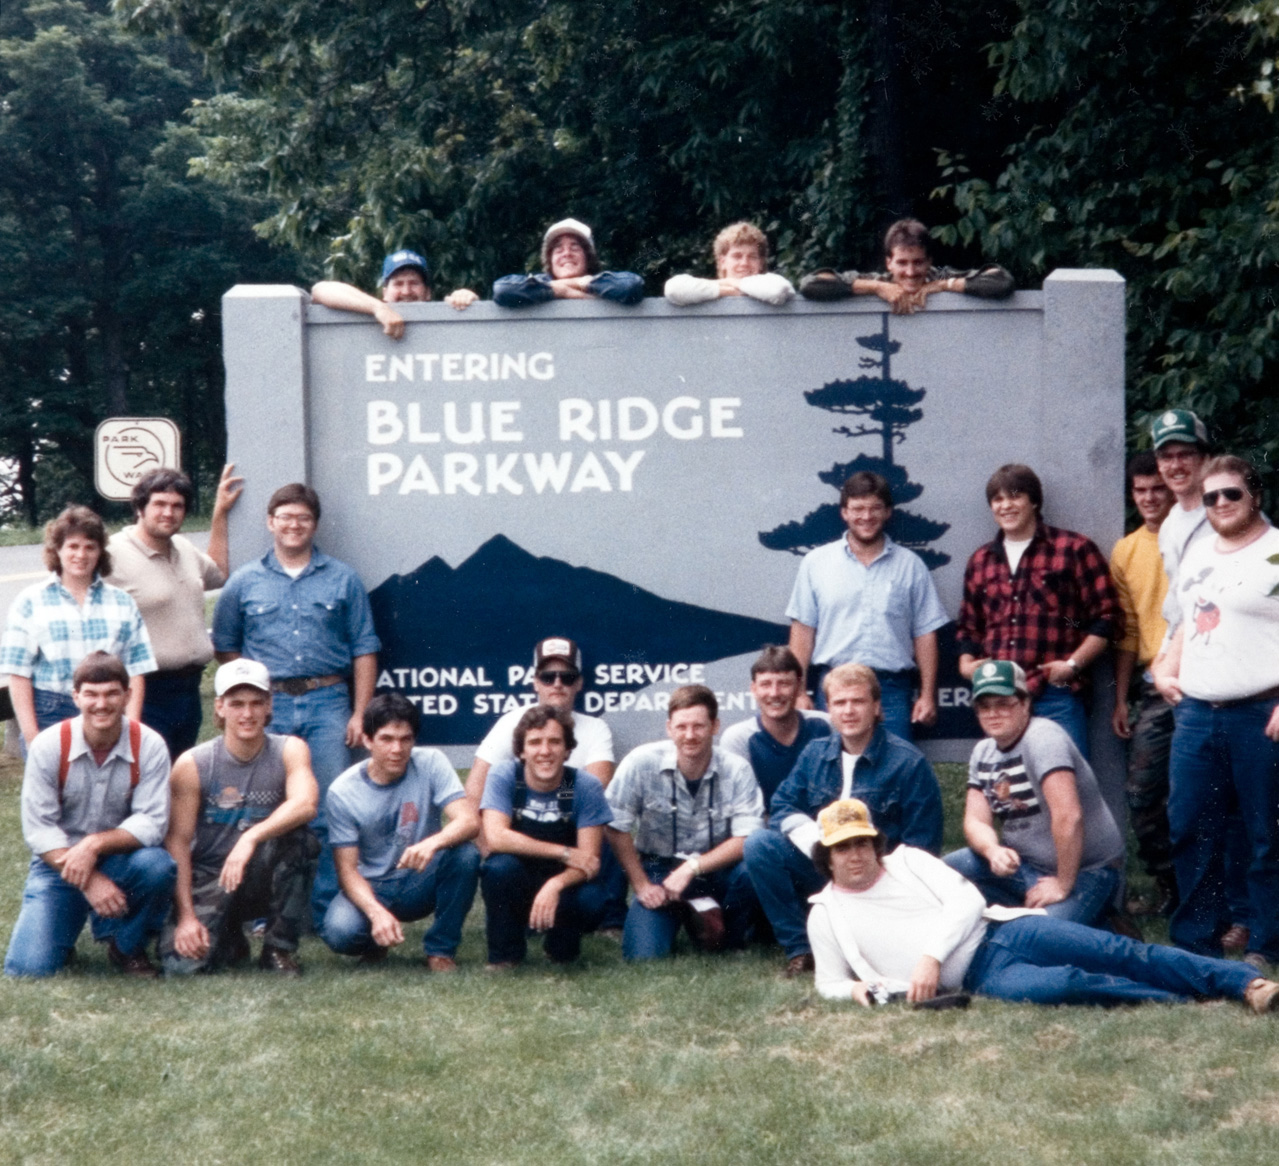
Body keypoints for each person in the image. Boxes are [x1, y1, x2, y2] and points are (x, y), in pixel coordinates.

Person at [806, 797, 1279, 1012]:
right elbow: (828, 981)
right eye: (842, 848)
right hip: (982, 977)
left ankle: (1244, 981)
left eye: (861, 843)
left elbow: (968, 900)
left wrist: (929, 959)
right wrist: (855, 992)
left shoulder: (908, 861)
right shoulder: (825, 913)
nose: (854, 855)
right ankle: (1191, 1003)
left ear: (874, 843)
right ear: (827, 857)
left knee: (1121, 952)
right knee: (1071, 985)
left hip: (1005, 931)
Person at [212, 482, 381, 925]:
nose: (293, 525)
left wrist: (360, 712)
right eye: (285, 517)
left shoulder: (342, 578)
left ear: (314, 524)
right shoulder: (245, 581)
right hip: (271, 708)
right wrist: (251, 698)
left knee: (328, 810)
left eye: (302, 518)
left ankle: (324, 912)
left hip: (328, 702)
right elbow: (227, 645)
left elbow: (365, 648)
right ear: (270, 522)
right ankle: (260, 913)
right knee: (263, 811)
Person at [1152, 455, 1279, 972]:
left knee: (1266, 832)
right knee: (1189, 827)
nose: (1221, 504)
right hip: (1197, 715)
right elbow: (1185, 622)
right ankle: (1197, 942)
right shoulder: (1198, 552)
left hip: (1261, 712)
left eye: (1231, 494)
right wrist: (1164, 666)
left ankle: (1266, 944)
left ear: (1255, 496)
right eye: (1211, 497)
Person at [743, 662, 943, 976]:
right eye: (839, 703)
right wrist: (815, 842)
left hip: (878, 879)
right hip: (823, 866)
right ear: (829, 709)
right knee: (760, 844)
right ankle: (801, 951)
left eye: (858, 701)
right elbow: (782, 805)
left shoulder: (908, 764)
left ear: (876, 707)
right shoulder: (815, 754)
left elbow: (923, 846)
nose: (848, 711)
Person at [4, 652, 173, 978]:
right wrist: (89, 879)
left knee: (156, 865)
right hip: (58, 866)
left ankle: (126, 945)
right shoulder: (49, 745)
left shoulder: (149, 745)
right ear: (76, 697)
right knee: (28, 970)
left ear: (127, 695)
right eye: (91, 694)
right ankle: (62, 930)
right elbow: (39, 830)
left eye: (111, 693)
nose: (101, 704)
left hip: (120, 860)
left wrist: (94, 844)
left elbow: (152, 821)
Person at [1149, 410, 1249, 951]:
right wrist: (1165, 665)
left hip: (1228, 678)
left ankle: (1242, 916)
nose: (1176, 464)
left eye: (1186, 452)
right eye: (1167, 455)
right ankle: (1200, 918)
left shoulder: (1226, 513)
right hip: (1183, 675)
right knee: (1186, 807)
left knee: (1233, 807)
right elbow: (1182, 608)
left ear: (1206, 457)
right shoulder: (1170, 523)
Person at [159, 659, 320, 976]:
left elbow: (306, 803)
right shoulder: (194, 763)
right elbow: (177, 842)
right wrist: (188, 917)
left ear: (269, 705)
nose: (247, 714)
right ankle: (228, 934)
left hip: (259, 870)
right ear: (219, 707)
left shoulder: (290, 749)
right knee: (183, 967)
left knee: (302, 841)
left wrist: (250, 837)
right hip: (211, 875)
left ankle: (278, 950)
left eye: (256, 703)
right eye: (236, 704)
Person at [956, 463, 1122, 756]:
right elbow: (969, 627)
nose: (1006, 505)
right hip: (999, 698)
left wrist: (1071, 666)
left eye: (1015, 496)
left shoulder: (1073, 549)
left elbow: (1107, 618)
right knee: (1008, 793)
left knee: (1065, 790)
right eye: (997, 499)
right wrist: (967, 666)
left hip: (1055, 694)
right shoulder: (981, 561)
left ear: (1034, 501)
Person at [945, 660, 1124, 926]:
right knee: (944, 871)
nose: (993, 713)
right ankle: (1036, 912)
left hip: (1087, 871)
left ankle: (1105, 924)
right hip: (1026, 867)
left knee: (1041, 937)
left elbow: (1068, 816)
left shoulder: (1043, 737)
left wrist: (1063, 885)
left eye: (1003, 703)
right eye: (984, 706)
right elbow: (975, 821)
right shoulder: (983, 751)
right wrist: (992, 850)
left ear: (1025, 703)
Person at [320, 693, 479, 969]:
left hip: (419, 875)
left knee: (466, 854)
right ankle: (375, 940)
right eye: (387, 739)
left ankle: (440, 950)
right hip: (373, 884)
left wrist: (432, 844)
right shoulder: (342, 791)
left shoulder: (430, 762)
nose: (397, 749)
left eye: (405, 739)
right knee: (339, 933)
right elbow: (346, 871)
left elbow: (469, 821)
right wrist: (375, 912)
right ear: (368, 740)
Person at [606, 685, 764, 960]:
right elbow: (614, 825)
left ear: (715, 726)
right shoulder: (641, 762)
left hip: (717, 871)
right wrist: (642, 885)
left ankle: (724, 930)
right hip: (660, 869)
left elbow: (746, 837)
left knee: (751, 869)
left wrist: (693, 867)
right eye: (681, 727)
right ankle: (687, 919)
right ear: (669, 728)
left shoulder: (737, 769)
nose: (689, 735)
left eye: (699, 726)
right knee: (643, 957)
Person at [785, 471, 948, 737]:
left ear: (888, 513)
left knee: (893, 771)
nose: (866, 517)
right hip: (835, 687)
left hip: (891, 691)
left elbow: (925, 634)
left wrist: (927, 695)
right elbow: (803, 632)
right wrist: (800, 691)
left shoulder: (911, 566)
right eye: (858, 508)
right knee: (836, 771)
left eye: (875, 508)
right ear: (844, 513)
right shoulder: (816, 563)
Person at [106, 465, 243, 758]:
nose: (169, 513)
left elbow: (218, 573)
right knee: (148, 779)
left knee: (180, 777)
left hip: (188, 691)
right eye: (160, 504)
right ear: (140, 507)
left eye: (177, 506)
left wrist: (219, 513)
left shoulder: (183, 547)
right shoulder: (112, 553)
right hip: (146, 692)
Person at [1, 506, 156, 747]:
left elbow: (136, 669)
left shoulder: (122, 602)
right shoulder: (30, 601)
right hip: (50, 712)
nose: (81, 555)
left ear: (100, 553)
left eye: (90, 547)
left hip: (107, 709)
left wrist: (131, 728)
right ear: (58, 550)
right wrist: (32, 737)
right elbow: (18, 674)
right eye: (73, 546)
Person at [480, 705, 614, 969]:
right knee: (497, 869)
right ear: (521, 750)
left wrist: (554, 885)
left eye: (554, 742)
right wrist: (562, 852)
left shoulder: (579, 786)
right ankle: (506, 955)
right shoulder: (507, 776)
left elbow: (589, 861)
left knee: (593, 899)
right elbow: (496, 837)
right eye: (535, 742)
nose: (545, 751)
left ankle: (559, 947)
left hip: (564, 882)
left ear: (567, 750)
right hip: (518, 876)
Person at [1109, 452, 1178, 915]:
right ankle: (1170, 885)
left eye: (1158, 488)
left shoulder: (1199, 537)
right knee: (1142, 795)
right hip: (1154, 689)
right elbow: (1129, 632)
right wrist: (1120, 698)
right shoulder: (1126, 551)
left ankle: (1228, 902)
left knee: (1215, 798)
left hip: (1208, 681)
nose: (1150, 498)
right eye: (1141, 490)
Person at [465, 637, 614, 807]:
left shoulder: (595, 728)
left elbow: (596, 789)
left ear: (579, 683)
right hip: (514, 824)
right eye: (548, 677)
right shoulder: (511, 722)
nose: (557, 684)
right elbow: (475, 790)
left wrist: (557, 804)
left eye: (567, 677)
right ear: (536, 683)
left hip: (572, 824)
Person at [798, 218, 1013, 315]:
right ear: (888, 263)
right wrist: (876, 288)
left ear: (929, 261)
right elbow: (810, 284)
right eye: (902, 263)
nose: (910, 272)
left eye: (918, 262)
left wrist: (943, 285)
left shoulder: (941, 276)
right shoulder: (876, 281)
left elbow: (1002, 282)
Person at [720, 645, 831, 807]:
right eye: (765, 684)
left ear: (799, 687)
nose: (774, 693)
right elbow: (741, 806)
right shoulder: (738, 738)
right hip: (765, 826)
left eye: (784, 684)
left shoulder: (827, 726)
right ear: (753, 689)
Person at [310, 248, 476, 338]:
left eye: (414, 283)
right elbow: (320, 289)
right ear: (385, 292)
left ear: (427, 293)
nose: (406, 291)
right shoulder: (371, 311)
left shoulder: (442, 323)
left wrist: (465, 300)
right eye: (398, 284)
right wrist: (379, 309)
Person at [492, 219, 644, 308]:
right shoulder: (539, 283)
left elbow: (631, 287)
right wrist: (562, 291)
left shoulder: (603, 282)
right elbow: (502, 290)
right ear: (550, 260)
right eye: (558, 249)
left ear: (588, 256)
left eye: (575, 247)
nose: (567, 253)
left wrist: (582, 283)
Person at [663, 221, 794, 306]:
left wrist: (734, 282)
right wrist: (724, 290)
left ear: (760, 262)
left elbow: (777, 292)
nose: (744, 263)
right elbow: (673, 289)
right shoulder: (707, 290)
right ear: (723, 261)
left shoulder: (772, 281)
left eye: (752, 257)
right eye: (737, 256)